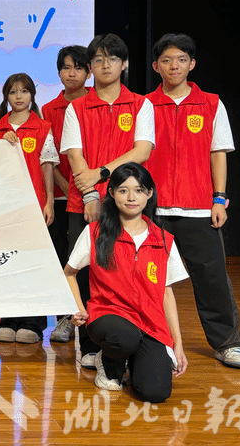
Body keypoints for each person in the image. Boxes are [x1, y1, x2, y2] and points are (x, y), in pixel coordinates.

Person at [145, 33, 240, 369]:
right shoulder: (144, 105)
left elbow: (218, 153)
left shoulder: (212, 104)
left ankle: (228, 343)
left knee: (212, 277)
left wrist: (219, 199)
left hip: (199, 208)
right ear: (156, 66)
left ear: (192, 64)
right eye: (166, 60)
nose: (174, 66)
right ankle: (152, 342)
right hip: (153, 209)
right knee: (148, 279)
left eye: (181, 59)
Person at [60, 34, 155, 368]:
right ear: (90, 67)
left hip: (129, 202)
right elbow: (75, 156)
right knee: (87, 273)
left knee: (128, 271)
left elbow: (142, 151)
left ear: (123, 64)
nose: (105, 65)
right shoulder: (76, 107)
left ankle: (132, 340)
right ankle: (89, 345)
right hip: (85, 203)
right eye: (98, 60)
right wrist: (90, 196)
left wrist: (102, 175)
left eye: (112, 59)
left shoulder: (141, 104)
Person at [65, 163, 188, 401]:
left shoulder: (164, 240)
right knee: (124, 337)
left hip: (149, 324)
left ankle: (133, 361)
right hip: (108, 317)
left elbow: (166, 293)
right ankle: (109, 365)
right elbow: (69, 273)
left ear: (149, 193)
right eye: (123, 190)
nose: (131, 197)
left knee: (155, 392)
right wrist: (77, 308)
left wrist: (177, 344)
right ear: (111, 193)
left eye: (139, 190)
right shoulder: (95, 232)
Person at [0, 73, 58, 343]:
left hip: (34, 205)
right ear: (6, 96)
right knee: (8, 262)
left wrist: (49, 201)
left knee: (33, 263)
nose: (19, 96)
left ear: (32, 96)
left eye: (24, 91)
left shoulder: (43, 127)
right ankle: (8, 318)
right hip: (4, 207)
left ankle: (33, 322)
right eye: (13, 91)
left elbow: (47, 166)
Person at [42, 45, 90, 344]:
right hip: (62, 195)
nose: (72, 73)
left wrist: (86, 188)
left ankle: (94, 317)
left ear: (88, 72)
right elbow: (49, 157)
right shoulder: (48, 109)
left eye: (78, 67)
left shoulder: (96, 104)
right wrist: (68, 187)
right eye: (66, 67)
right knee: (64, 257)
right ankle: (65, 318)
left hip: (94, 195)